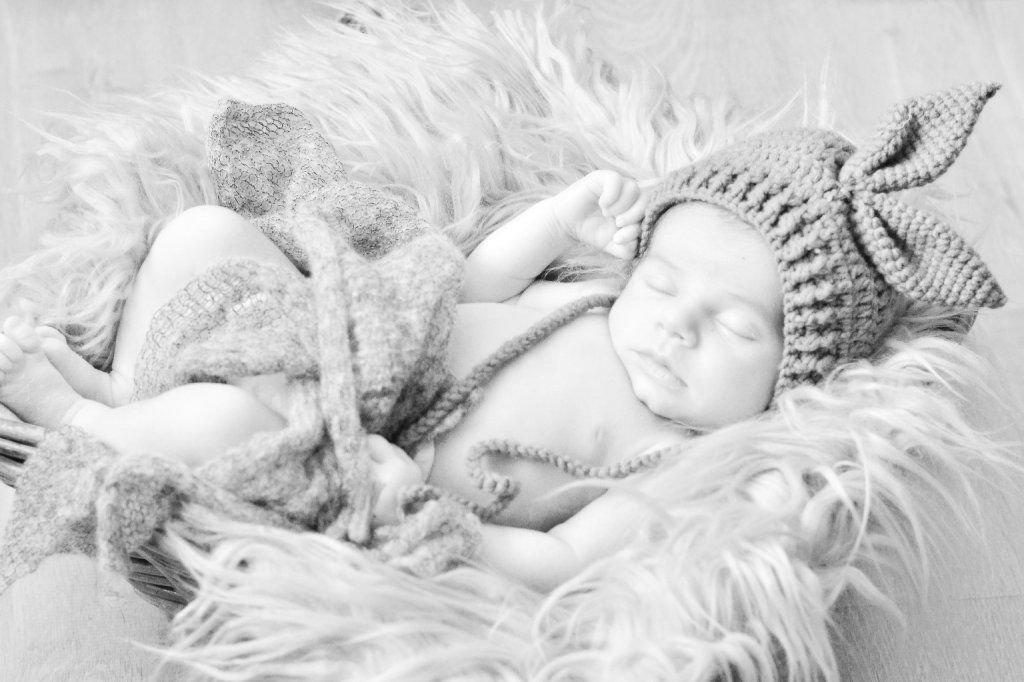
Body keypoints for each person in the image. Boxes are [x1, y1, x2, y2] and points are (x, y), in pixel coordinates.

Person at [0, 82, 1005, 591]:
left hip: (348, 455)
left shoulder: (683, 458)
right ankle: (128, 390)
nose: (675, 323)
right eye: (660, 281)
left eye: (736, 327)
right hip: (333, 334)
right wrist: (558, 224)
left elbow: (560, 559)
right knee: (202, 234)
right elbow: (460, 283)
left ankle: (80, 425)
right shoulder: (587, 308)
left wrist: (426, 509)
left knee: (224, 424)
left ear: (795, 374)